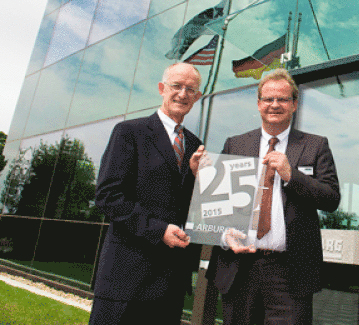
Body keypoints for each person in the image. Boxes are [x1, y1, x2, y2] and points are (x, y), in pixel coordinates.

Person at [201, 68, 340, 325]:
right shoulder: (235, 145)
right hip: (238, 269)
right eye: (268, 99)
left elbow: (331, 199)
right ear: (258, 104)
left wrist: (292, 175)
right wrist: (223, 235)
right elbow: (217, 208)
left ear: (294, 104)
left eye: (283, 99)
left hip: (290, 274)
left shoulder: (315, 145)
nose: (274, 105)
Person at [89, 63, 206, 325]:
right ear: (162, 89)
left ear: (198, 97)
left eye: (191, 89)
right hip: (125, 277)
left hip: (170, 283)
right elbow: (108, 195)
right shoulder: (129, 132)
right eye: (176, 86)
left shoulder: (196, 146)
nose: (183, 94)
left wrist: (198, 180)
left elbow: (184, 203)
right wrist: (158, 230)